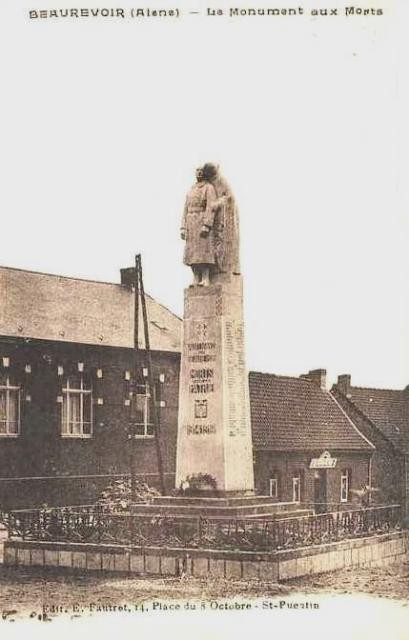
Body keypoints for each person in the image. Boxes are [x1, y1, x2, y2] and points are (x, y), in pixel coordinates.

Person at [180, 165, 218, 286]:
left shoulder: (209, 188)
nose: (199, 173)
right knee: (192, 253)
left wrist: (207, 224)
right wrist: (183, 227)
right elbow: (185, 209)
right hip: (191, 223)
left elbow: (211, 207)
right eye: (197, 170)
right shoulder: (191, 189)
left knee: (203, 252)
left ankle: (206, 278)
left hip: (201, 221)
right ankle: (196, 277)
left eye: (201, 171)